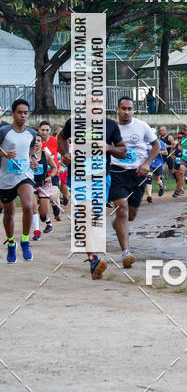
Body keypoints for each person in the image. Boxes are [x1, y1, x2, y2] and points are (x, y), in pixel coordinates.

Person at [58, 112, 127, 278]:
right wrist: (65, 154)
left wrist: (109, 147)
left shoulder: (110, 125)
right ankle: (93, 259)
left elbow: (123, 151)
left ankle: (92, 257)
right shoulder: (73, 123)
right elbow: (61, 137)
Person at [109, 97, 159, 268]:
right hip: (116, 173)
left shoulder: (142, 125)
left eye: (129, 108)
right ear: (117, 109)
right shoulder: (110, 128)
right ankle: (126, 253)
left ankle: (119, 222)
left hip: (138, 174)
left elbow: (157, 145)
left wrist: (147, 164)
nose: (127, 112)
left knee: (130, 215)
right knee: (122, 209)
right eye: (123, 108)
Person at [0, 99, 39, 262]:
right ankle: (11, 243)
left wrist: (34, 158)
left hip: (25, 175)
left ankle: (25, 241)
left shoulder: (32, 133)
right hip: (5, 178)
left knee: (29, 205)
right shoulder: (4, 131)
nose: (23, 116)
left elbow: (31, 149)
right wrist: (4, 155)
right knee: (9, 214)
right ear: (12, 114)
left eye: (26, 113)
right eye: (19, 112)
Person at [31, 133, 58, 239]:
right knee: (33, 208)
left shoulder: (45, 154)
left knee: (43, 212)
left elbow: (54, 167)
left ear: (42, 143)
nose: (36, 143)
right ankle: (36, 232)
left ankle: (47, 220)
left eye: (38, 141)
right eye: (34, 141)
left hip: (44, 184)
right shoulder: (26, 154)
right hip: (31, 185)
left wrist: (50, 176)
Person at [38, 121, 62, 222]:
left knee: (53, 196)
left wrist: (62, 165)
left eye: (47, 130)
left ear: (50, 131)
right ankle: (46, 217)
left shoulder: (55, 141)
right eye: (42, 130)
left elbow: (64, 154)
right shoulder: (36, 142)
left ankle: (55, 208)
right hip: (41, 175)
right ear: (39, 130)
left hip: (54, 173)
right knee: (45, 199)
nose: (44, 132)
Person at [146, 135, 167, 201]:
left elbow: (166, 152)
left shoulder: (160, 142)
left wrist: (156, 151)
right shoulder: (145, 142)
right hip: (149, 162)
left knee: (157, 181)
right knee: (149, 177)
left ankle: (161, 185)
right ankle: (149, 195)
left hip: (158, 163)